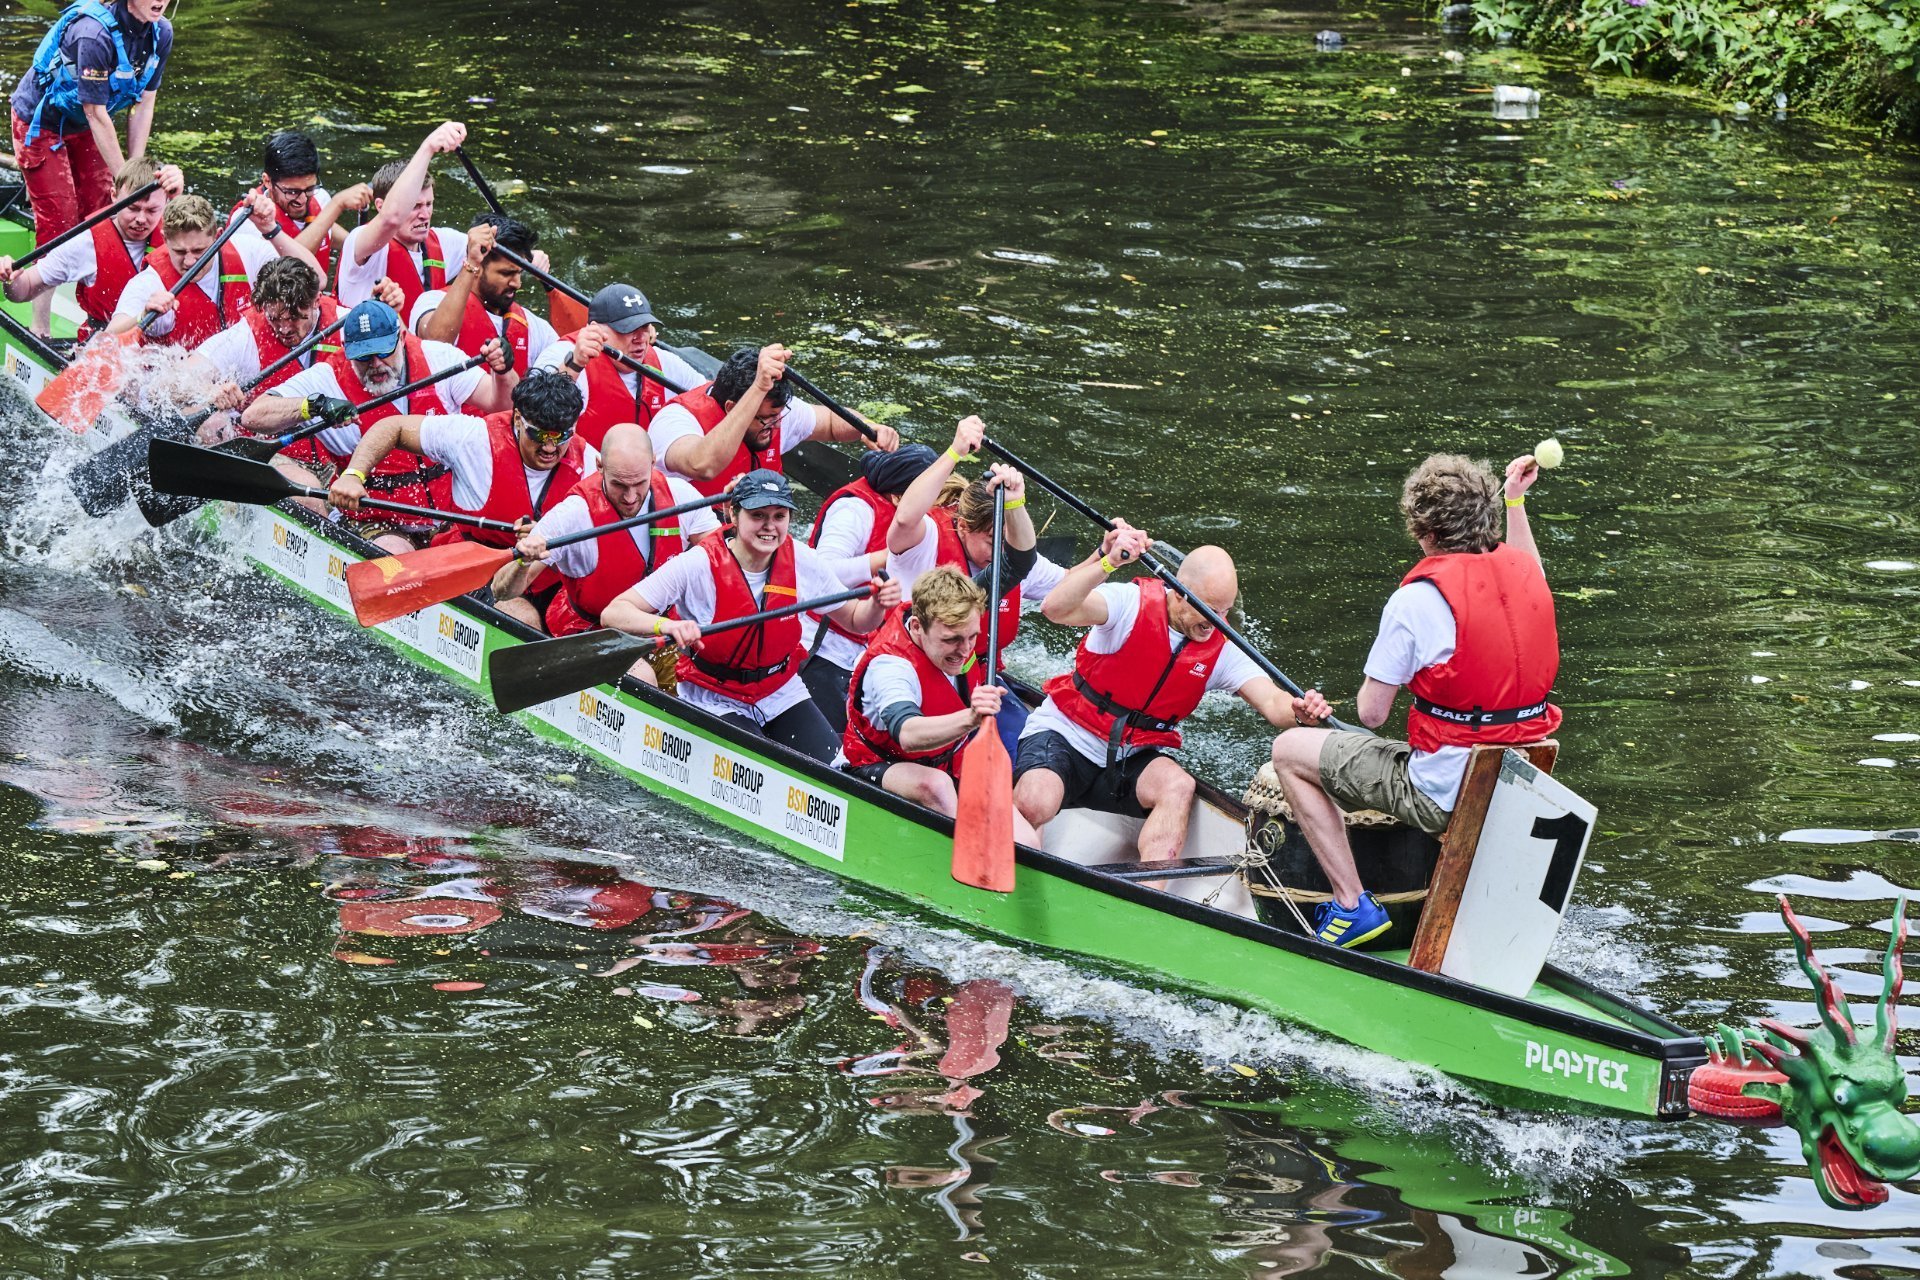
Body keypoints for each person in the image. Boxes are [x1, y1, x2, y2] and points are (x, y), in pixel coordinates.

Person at [1268, 453, 1558, 948]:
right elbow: (1524, 559)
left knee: (1291, 752)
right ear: (1486, 517)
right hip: (1521, 782)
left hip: (1446, 791)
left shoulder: (1417, 600)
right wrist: (1514, 500)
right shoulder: (1529, 576)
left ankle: (1350, 905)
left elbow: (1371, 714)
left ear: (1424, 531)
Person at [1013, 528, 1332, 863]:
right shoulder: (1128, 603)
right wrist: (1107, 563)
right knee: (1037, 801)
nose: (1216, 622)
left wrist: (1300, 712)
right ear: (1179, 593)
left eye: (1224, 611)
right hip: (1068, 733)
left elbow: (1271, 701)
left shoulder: (1221, 647)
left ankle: (1149, 894)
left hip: (1129, 757)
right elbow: (1055, 609)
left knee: (1178, 786)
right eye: (1208, 609)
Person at [601, 469, 900, 761]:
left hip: (780, 689)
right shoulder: (696, 564)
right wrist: (666, 624)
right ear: (733, 515)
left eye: (779, 517)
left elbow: (856, 620)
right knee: (760, 762)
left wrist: (878, 604)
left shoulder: (803, 561)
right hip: (714, 694)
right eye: (758, 515)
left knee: (835, 767)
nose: (769, 527)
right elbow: (614, 612)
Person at [324, 370, 597, 630]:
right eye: (538, 435)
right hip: (473, 569)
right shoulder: (473, 438)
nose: (550, 448)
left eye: (561, 436)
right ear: (517, 419)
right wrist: (353, 475)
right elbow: (393, 427)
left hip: (546, 577)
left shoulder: (591, 464)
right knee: (522, 618)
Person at [241, 298, 511, 552]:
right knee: (396, 553)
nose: (376, 364)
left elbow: (502, 403)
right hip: (376, 521)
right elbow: (254, 416)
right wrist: (314, 405)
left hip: (449, 516)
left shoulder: (439, 359)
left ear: (402, 338)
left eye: (383, 352)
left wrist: (503, 371)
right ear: (347, 350)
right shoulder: (328, 377)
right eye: (363, 356)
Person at [885, 415, 1065, 752]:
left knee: (1028, 752)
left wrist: (1106, 559)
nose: (1000, 553)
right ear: (964, 527)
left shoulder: (1009, 559)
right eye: (991, 540)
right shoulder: (926, 541)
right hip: (916, 670)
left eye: (1006, 543)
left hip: (978, 679)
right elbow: (906, 517)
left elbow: (1060, 582)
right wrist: (955, 451)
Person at [839, 565, 1042, 845]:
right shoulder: (890, 667)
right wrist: (971, 717)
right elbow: (909, 735)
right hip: (878, 764)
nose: (965, 649)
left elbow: (1021, 558)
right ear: (917, 628)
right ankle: (966, 857)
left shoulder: (960, 621)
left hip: (948, 761)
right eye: (952, 640)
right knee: (936, 785)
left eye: (972, 637)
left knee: (1026, 836)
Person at [499, 423, 721, 660]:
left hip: (661, 630)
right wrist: (522, 562)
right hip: (590, 631)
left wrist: (737, 517)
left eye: (639, 483)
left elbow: (726, 559)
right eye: (619, 484)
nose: (630, 497)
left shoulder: (682, 496)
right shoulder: (572, 514)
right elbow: (501, 591)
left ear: (653, 464)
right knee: (643, 677)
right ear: (599, 466)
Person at [10, 0, 172, 258]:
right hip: (42, 123)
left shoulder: (161, 33)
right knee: (59, 222)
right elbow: (95, 113)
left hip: (86, 123)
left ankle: (95, 293)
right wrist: (125, 185)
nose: (161, 1)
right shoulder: (94, 34)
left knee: (102, 210)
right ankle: (41, 294)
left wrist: (135, 171)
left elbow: (144, 103)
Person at [801, 442, 939, 732]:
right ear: (899, 497)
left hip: (872, 648)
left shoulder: (921, 525)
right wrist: (884, 560)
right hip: (823, 646)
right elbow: (820, 571)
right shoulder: (854, 509)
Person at [649, 343, 899, 497]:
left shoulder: (775, 411)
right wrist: (757, 387)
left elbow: (833, 424)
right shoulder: (675, 421)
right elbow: (702, 466)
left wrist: (867, 428)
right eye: (766, 420)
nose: (777, 425)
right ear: (731, 408)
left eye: (778, 416)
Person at [106, 191, 320, 347]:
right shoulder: (150, 283)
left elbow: (316, 279)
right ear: (164, 240)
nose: (190, 262)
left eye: (199, 250)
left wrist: (270, 229)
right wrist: (141, 316)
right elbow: (107, 340)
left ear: (218, 236)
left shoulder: (246, 251)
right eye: (180, 252)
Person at [0, 153, 180, 334]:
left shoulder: (179, 235)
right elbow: (25, 290)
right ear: (114, 196)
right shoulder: (86, 243)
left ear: (167, 203)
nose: (141, 219)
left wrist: (176, 181)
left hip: (165, 346)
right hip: (107, 345)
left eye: (152, 211)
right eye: (132, 208)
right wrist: (11, 279)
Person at [531, 283, 703, 449]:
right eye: (628, 328)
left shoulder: (664, 361)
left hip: (643, 474)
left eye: (644, 327)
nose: (640, 339)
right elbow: (535, 415)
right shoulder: (564, 353)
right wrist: (574, 364)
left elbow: (710, 398)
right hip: (585, 471)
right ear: (596, 330)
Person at [334, 121, 468, 311]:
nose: (424, 214)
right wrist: (428, 147)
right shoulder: (360, 243)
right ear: (379, 206)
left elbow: (504, 252)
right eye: (414, 207)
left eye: (429, 204)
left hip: (415, 341)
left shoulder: (445, 242)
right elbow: (391, 218)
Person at [411, 215, 555, 379]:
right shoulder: (432, 302)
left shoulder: (535, 327)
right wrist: (471, 261)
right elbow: (436, 344)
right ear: (478, 266)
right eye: (506, 273)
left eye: (519, 273)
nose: (517, 283)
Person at [231, 130, 369, 280]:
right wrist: (337, 205)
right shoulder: (247, 221)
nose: (302, 200)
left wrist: (358, 244)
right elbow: (285, 271)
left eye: (309, 189)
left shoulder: (321, 197)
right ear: (267, 181)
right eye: (292, 192)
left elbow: (327, 230)